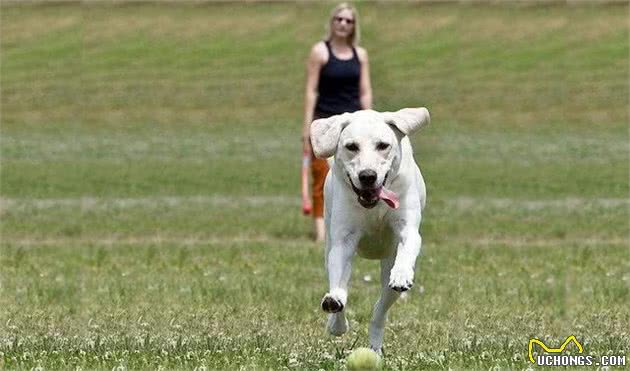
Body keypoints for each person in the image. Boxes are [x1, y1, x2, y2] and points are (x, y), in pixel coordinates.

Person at [302, 3, 373, 242]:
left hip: (354, 127)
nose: (343, 24)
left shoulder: (360, 55)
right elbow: (311, 90)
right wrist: (307, 126)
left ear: (354, 26)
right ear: (332, 22)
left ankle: (356, 229)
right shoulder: (320, 52)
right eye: (339, 19)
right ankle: (322, 234)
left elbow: (365, 92)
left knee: (357, 176)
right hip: (327, 123)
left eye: (348, 21)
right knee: (322, 176)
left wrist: (371, 121)